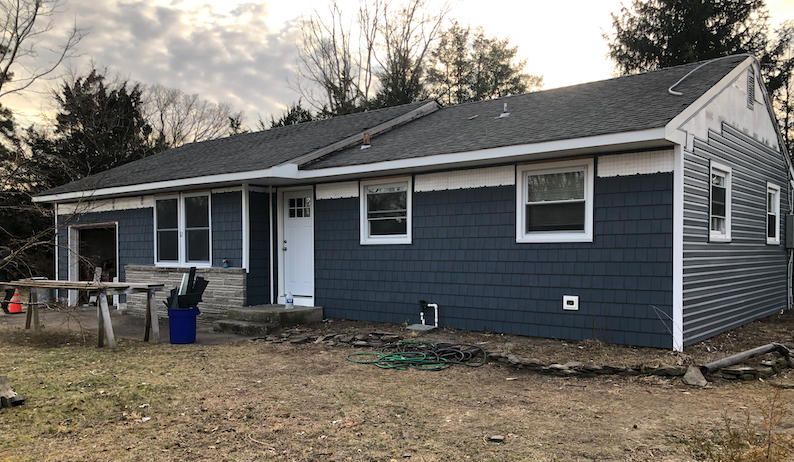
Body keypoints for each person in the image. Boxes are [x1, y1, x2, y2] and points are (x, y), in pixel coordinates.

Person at [0, 246, 15, 314]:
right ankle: (4, 305)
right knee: (11, 290)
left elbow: (9, 270)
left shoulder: (8, 263)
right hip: (3, 279)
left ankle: (4, 305)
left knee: (11, 290)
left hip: (5, 279)